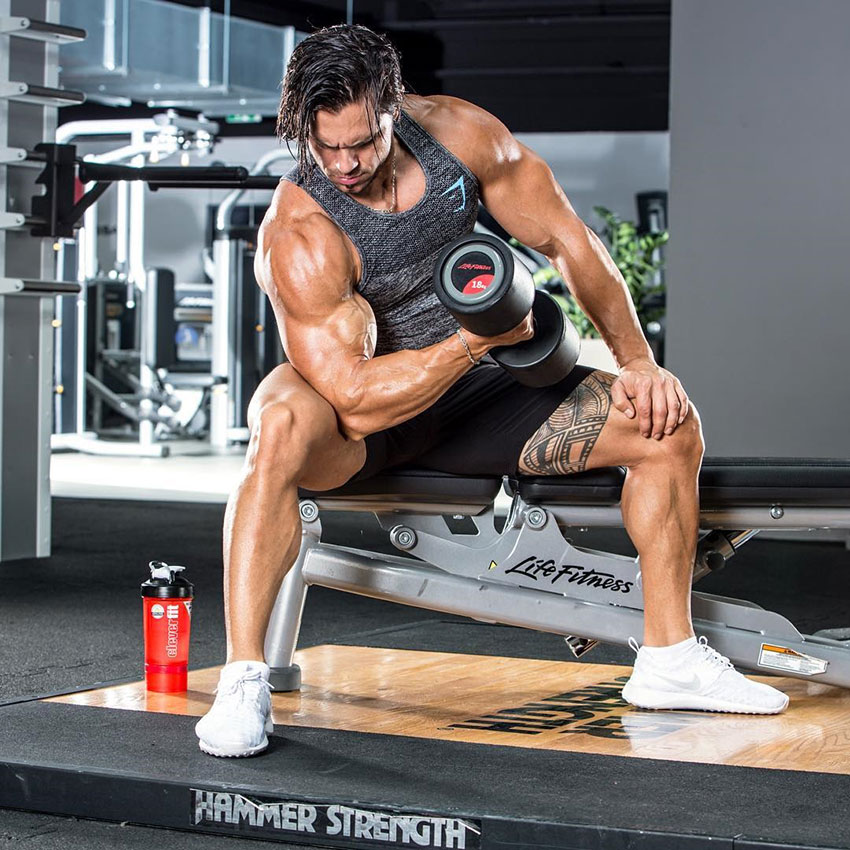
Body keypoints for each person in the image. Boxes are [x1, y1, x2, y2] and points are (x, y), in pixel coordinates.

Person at [195, 24, 788, 758]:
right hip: (369, 416)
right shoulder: (302, 230)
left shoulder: (459, 135)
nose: (346, 165)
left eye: (363, 143)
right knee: (281, 420)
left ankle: (669, 659)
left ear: (394, 107)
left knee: (668, 425)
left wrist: (638, 362)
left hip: (484, 392)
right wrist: (474, 339)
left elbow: (569, 240)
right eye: (326, 148)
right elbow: (351, 396)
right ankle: (244, 680)